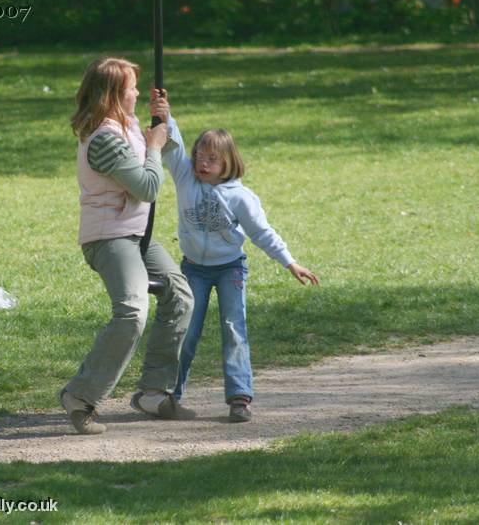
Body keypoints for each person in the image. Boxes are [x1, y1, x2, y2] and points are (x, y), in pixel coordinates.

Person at [150, 89, 319, 423]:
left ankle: (239, 397)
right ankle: (171, 395)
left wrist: (290, 262)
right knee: (186, 330)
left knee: (233, 328)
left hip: (230, 268)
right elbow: (174, 144)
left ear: (227, 162)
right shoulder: (185, 177)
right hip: (194, 269)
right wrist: (164, 114)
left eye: (211, 160)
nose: (202, 163)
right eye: (200, 156)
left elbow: (261, 232)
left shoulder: (240, 196)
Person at [60, 57, 195, 435]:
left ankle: (153, 392)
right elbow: (148, 186)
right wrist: (153, 145)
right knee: (132, 312)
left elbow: (166, 152)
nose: (138, 92)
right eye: (132, 88)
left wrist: (163, 122)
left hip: (138, 236)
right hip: (109, 237)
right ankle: (81, 396)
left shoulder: (129, 126)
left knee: (180, 294)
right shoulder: (104, 138)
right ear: (114, 95)